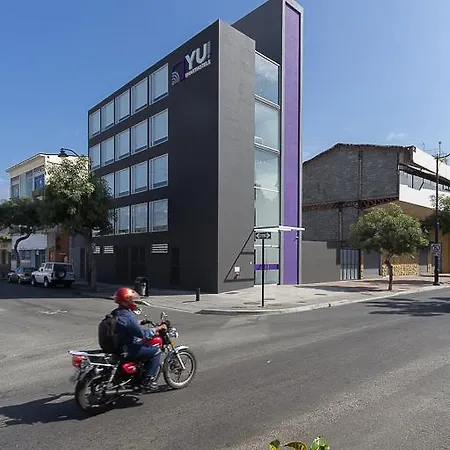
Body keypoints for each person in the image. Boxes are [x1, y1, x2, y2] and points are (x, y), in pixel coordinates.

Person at [113, 287, 167, 391]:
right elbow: (142, 334)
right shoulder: (128, 316)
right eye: (131, 299)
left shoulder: (117, 312)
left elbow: (125, 325)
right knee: (156, 351)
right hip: (126, 347)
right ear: (126, 300)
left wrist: (139, 322)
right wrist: (158, 328)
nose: (133, 301)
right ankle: (147, 381)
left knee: (141, 345)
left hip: (116, 345)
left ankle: (137, 374)